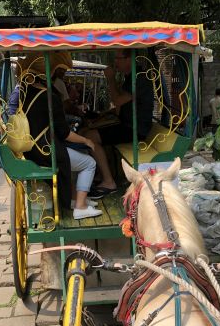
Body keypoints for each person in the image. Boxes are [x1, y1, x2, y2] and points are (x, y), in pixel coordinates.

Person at [17, 52, 101, 219]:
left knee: (77, 156)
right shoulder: (49, 97)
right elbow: (65, 133)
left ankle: (73, 199)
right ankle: (80, 207)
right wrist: (87, 140)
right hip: (46, 152)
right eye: (55, 71)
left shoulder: (25, 92)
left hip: (32, 149)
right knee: (89, 163)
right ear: (47, 73)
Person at [81, 49, 155, 196]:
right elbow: (119, 107)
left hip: (135, 129)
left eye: (118, 58)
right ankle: (102, 174)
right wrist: (101, 116)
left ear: (129, 59)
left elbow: (117, 101)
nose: (115, 62)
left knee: (90, 137)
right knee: (88, 131)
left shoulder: (139, 78)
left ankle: (109, 182)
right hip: (127, 125)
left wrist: (110, 79)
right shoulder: (130, 77)